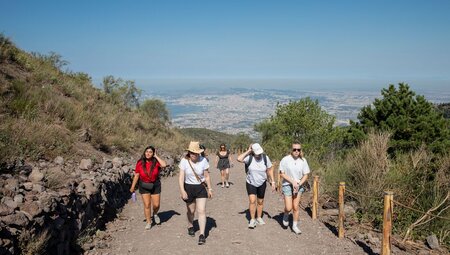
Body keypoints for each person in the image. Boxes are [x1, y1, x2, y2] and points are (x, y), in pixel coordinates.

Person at [178, 141, 213, 245]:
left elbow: (206, 176)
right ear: (189, 152)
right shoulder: (184, 161)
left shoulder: (204, 161)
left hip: (200, 187)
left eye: (196, 153)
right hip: (188, 187)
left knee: (201, 210)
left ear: (199, 153)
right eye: (192, 153)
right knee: (191, 211)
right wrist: (182, 191)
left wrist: (210, 189)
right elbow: (181, 177)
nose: (194, 155)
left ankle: (202, 235)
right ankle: (190, 225)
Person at [237, 143, 275, 229]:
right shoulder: (249, 158)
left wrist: (273, 181)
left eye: (260, 153)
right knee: (252, 200)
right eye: (257, 153)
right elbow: (239, 158)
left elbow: (269, 169)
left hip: (262, 182)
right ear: (253, 152)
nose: (259, 155)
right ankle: (252, 219)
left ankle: (259, 217)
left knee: (260, 201)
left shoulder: (265, 158)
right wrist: (249, 150)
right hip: (251, 182)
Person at [130, 145, 167, 230]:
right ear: (144, 152)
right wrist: (132, 187)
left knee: (156, 205)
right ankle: (148, 222)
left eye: (150, 152)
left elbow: (164, 165)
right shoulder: (140, 162)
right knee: (147, 205)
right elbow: (137, 175)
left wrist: (156, 156)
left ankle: (155, 213)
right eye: (147, 151)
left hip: (155, 185)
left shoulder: (156, 161)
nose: (148, 153)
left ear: (153, 153)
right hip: (144, 185)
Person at [279, 142, 310, 235]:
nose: (296, 151)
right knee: (289, 207)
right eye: (294, 149)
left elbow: (306, 174)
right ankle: (286, 214)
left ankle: (295, 226)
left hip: (299, 185)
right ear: (291, 150)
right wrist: (292, 182)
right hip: (287, 184)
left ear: (300, 150)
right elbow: (282, 173)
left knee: (295, 207)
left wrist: (299, 183)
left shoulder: (303, 160)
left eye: (298, 150)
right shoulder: (285, 159)